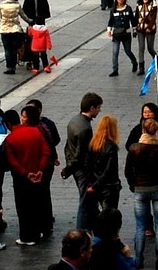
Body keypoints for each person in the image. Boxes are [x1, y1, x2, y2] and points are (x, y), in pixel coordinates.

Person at [125, 116, 158, 263]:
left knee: (140, 226)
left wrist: (133, 184)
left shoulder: (134, 148)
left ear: (143, 130)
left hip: (140, 189)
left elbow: (128, 171)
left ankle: (138, 258)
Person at [5, 104, 52, 248]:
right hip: (37, 175)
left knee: (23, 207)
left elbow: (12, 161)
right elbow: (46, 152)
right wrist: (39, 170)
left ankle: (27, 236)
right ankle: (38, 232)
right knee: (36, 203)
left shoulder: (10, 139)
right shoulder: (36, 132)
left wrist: (26, 173)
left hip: (22, 178)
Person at [63, 92, 104, 230]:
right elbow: (81, 154)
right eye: (98, 108)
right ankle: (80, 231)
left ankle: (97, 225)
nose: (99, 110)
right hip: (83, 170)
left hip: (75, 167)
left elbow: (68, 146)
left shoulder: (74, 120)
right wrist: (68, 169)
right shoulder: (85, 128)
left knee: (90, 201)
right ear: (92, 108)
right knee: (86, 201)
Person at [81, 115, 123, 235]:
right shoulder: (111, 147)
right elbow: (110, 170)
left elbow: (87, 165)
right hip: (109, 187)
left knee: (97, 213)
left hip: (95, 185)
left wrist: (92, 183)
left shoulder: (93, 144)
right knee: (110, 216)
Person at [107, 0, 139, 77]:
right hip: (116, 34)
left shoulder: (128, 8)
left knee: (128, 51)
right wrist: (109, 30)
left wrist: (135, 30)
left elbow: (132, 20)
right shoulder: (113, 10)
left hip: (126, 33)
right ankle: (115, 69)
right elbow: (110, 21)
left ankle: (134, 62)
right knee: (115, 52)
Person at [136, 0, 158, 70]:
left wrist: (149, 27)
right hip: (140, 29)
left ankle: (157, 59)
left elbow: (153, 17)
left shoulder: (153, 2)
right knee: (141, 47)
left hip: (150, 29)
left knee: (150, 48)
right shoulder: (138, 3)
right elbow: (136, 16)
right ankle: (141, 67)